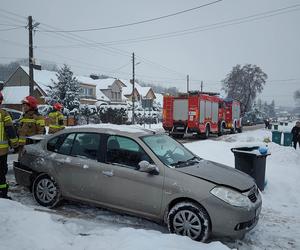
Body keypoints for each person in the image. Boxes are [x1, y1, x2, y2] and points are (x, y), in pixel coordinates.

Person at [0, 92, 18, 199]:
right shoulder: (4, 114)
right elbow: (10, 131)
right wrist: (15, 143)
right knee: (1, 172)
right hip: (1, 152)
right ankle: (2, 193)